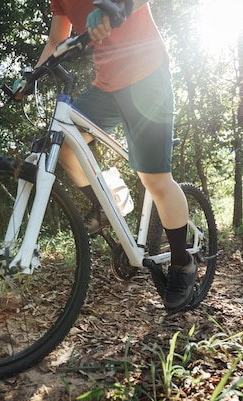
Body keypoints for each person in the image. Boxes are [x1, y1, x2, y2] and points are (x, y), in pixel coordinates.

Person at [25, 0, 196, 311]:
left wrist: (119, 5)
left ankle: (183, 263)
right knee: (64, 144)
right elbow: (55, 41)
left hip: (147, 75)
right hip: (105, 86)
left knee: (155, 179)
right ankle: (106, 206)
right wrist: (31, 76)